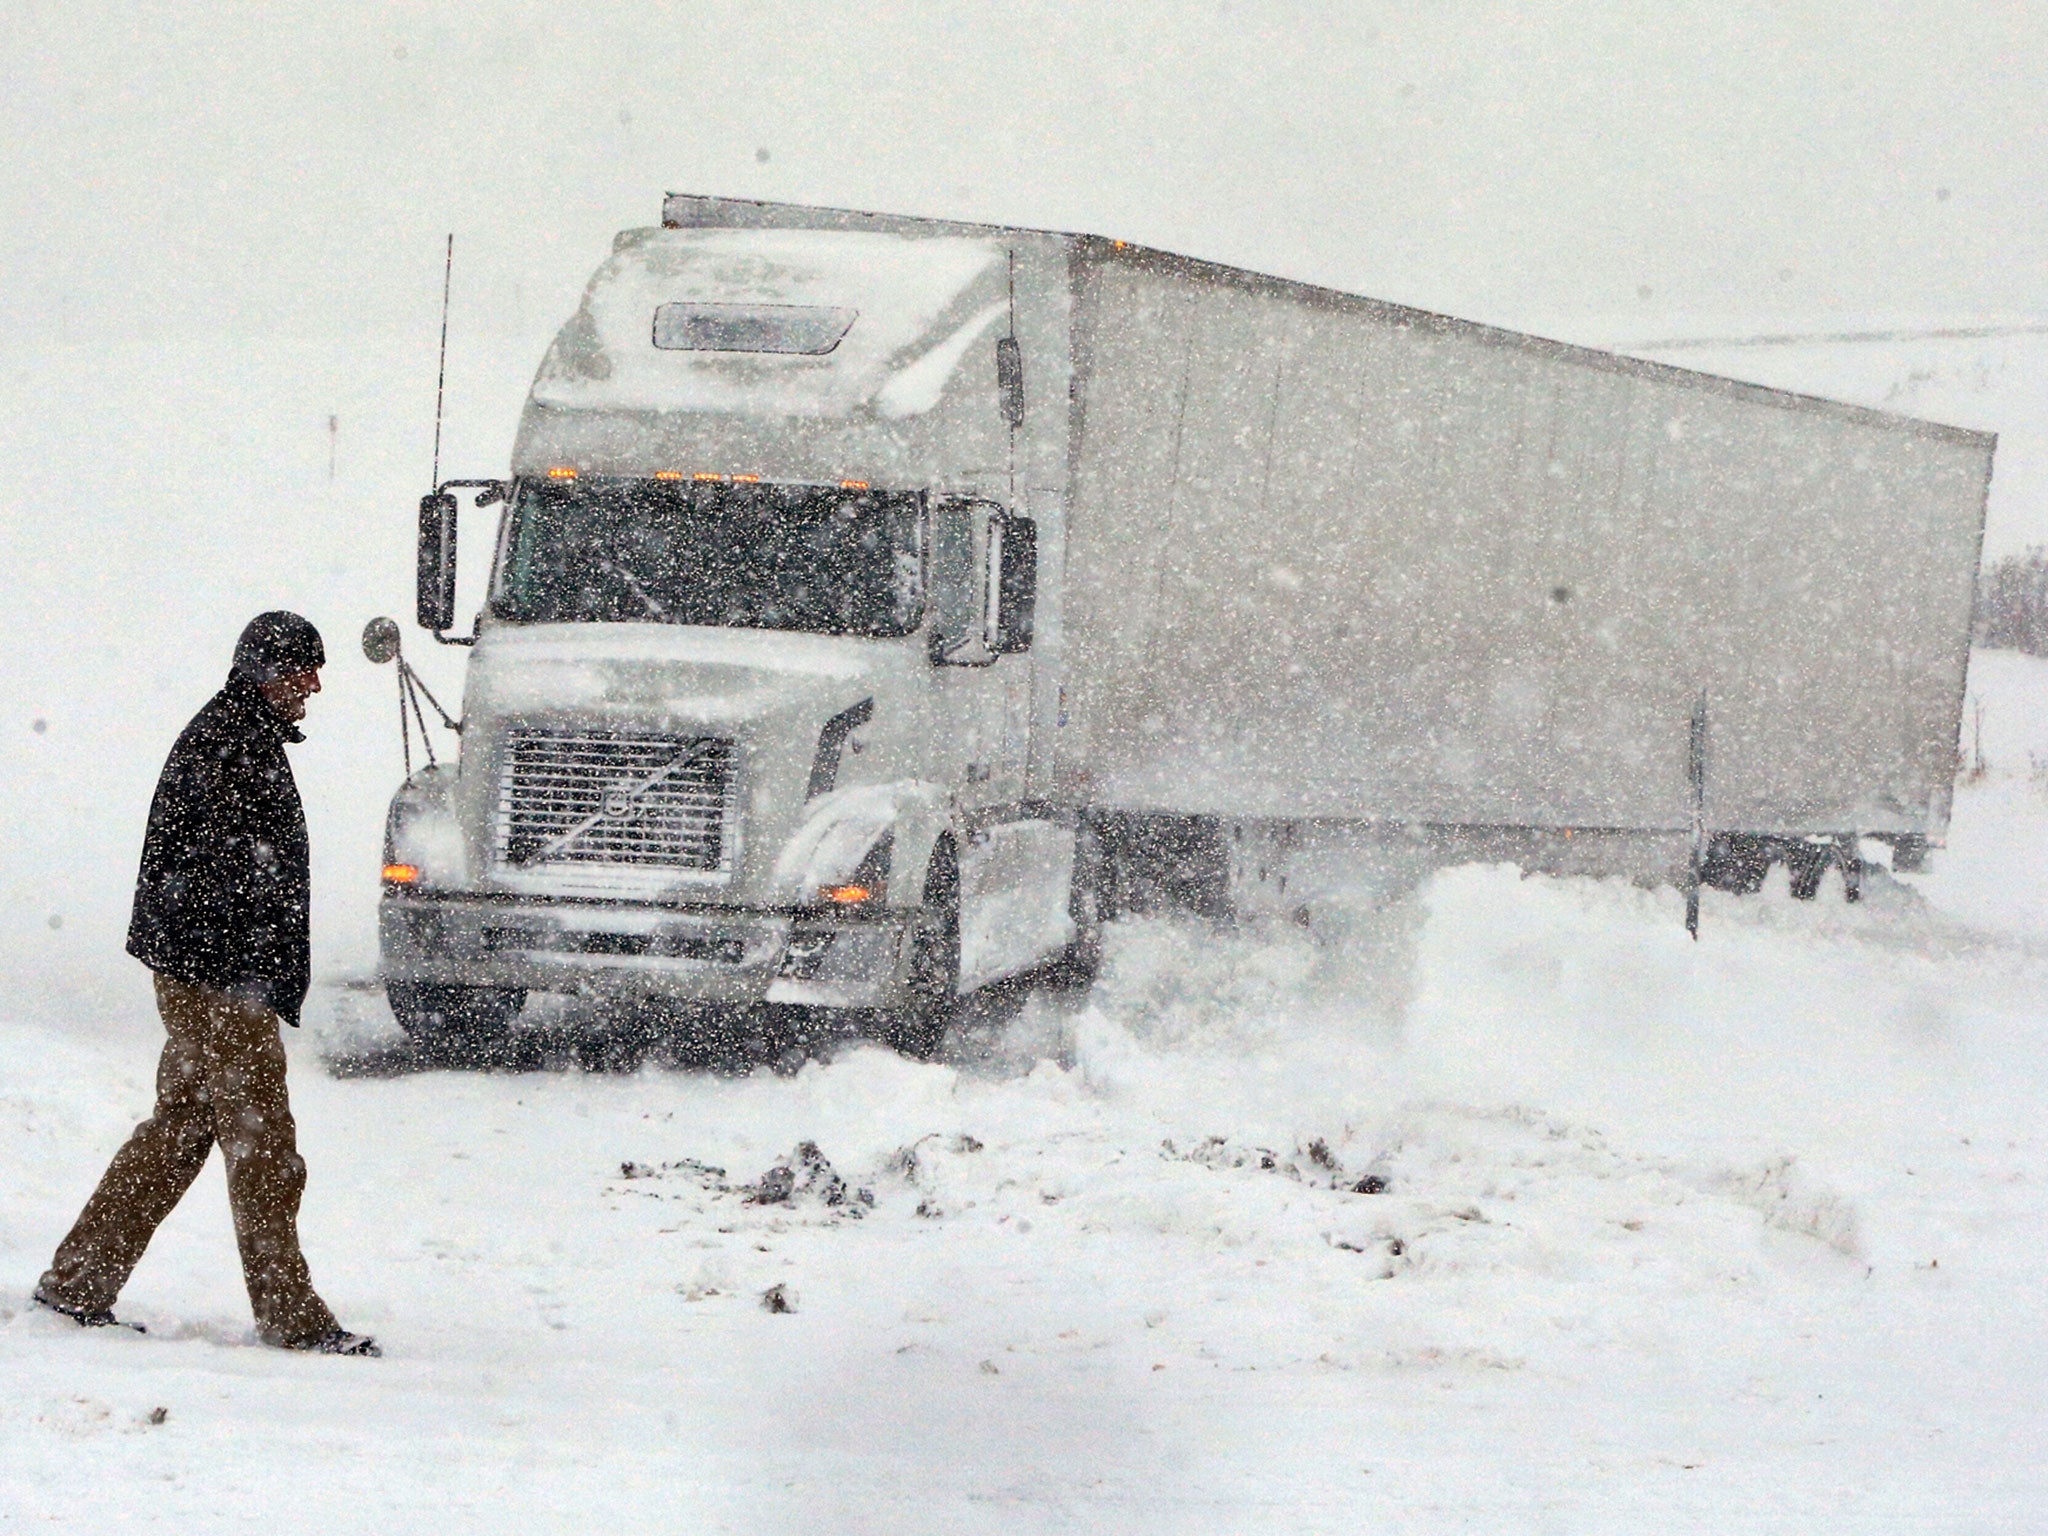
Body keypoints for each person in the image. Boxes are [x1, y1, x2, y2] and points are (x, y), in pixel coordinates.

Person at [34, 612, 378, 1356]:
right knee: (264, 1145)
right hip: (221, 980)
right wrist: (246, 974)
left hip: (207, 973)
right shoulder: (229, 744)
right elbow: (219, 879)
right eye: (300, 670)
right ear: (261, 670)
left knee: (182, 1128)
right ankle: (291, 1317)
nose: (313, 685)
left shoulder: (235, 735)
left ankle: (78, 1281)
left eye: (316, 669)